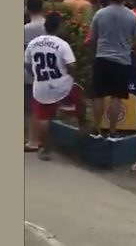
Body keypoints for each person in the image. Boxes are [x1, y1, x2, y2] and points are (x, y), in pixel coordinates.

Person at [25, 12, 88, 161]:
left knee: (43, 118)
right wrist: (72, 76)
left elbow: (27, 64)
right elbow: (71, 65)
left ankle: (46, 150)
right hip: (61, 85)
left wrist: (36, 76)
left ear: (45, 27)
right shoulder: (62, 44)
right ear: (58, 27)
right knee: (81, 102)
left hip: (41, 86)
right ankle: (83, 130)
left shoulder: (33, 43)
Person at [88, 0, 136, 141]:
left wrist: (92, 57)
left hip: (102, 59)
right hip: (122, 61)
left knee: (99, 96)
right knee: (116, 97)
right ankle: (112, 131)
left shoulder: (100, 14)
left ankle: (96, 129)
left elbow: (93, 39)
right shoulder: (132, 17)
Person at [24, 0, 46, 152]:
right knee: (42, 106)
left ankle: (31, 139)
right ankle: (40, 139)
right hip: (47, 70)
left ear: (28, 9)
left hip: (29, 70)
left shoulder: (26, 29)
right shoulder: (47, 25)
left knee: (29, 107)